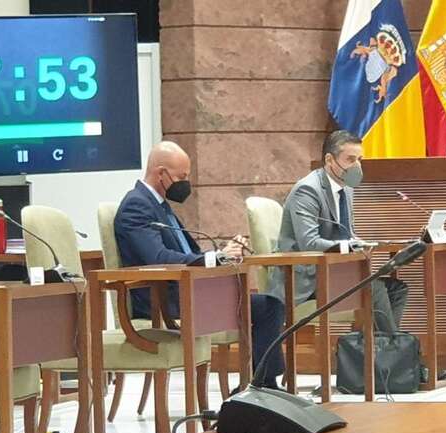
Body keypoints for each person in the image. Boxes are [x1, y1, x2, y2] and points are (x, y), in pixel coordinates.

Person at [114, 141, 285, 388]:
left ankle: (262, 383)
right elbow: (159, 259)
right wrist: (211, 259)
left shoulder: (159, 206)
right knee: (268, 308)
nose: (186, 183)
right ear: (160, 173)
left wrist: (221, 255)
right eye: (181, 176)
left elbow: (185, 253)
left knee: (268, 304)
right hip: (164, 301)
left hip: (189, 293)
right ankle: (263, 386)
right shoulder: (137, 205)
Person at [266, 130, 408, 334]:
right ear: (329, 159)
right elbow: (310, 243)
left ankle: (380, 355)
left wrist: (371, 244)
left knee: (396, 288)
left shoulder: (346, 188)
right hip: (305, 278)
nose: (356, 166)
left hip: (334, 272)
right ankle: (395, 356)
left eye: (359, 159)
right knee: (374, 287)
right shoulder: (308, 190)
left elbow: (347, 234)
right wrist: (350, 246)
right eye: (350, 159)